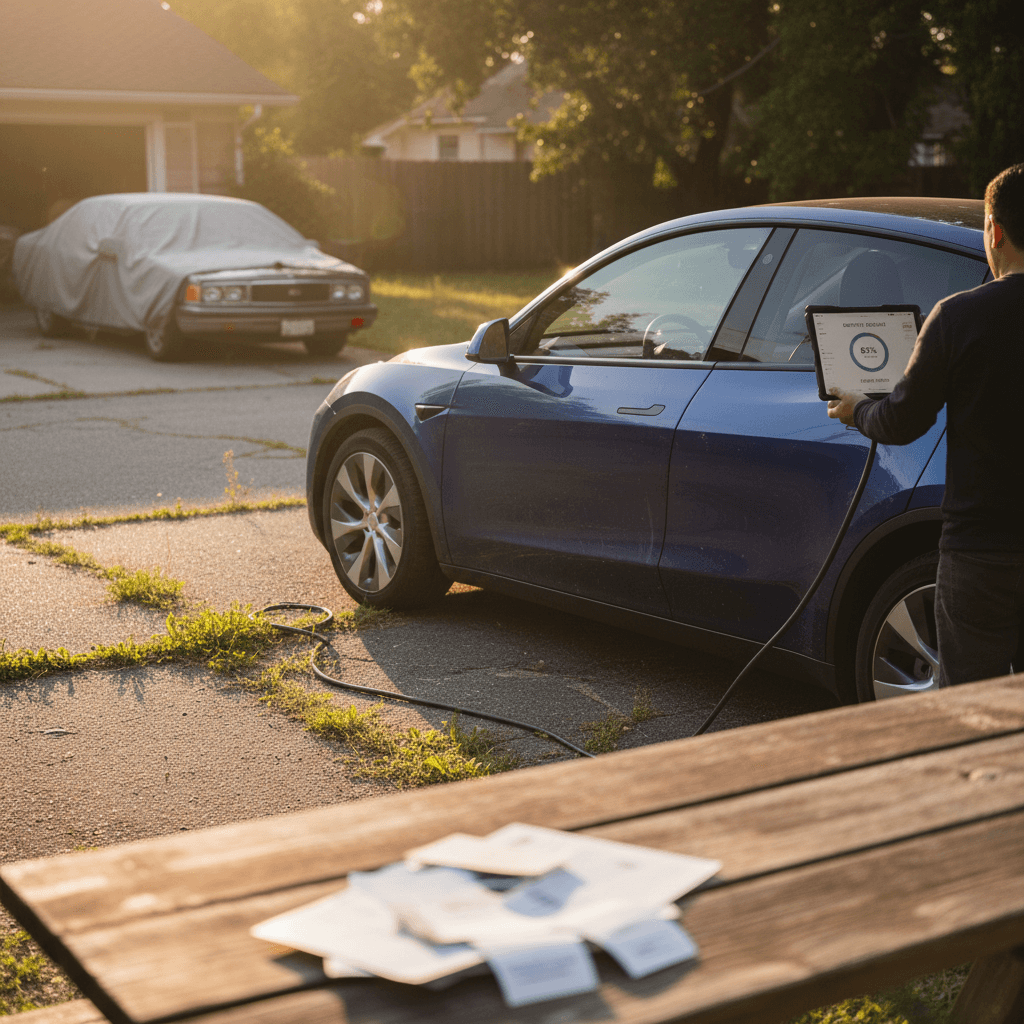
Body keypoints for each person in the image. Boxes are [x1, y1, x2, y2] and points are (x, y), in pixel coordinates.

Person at [827, 163, 1024, 687]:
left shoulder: (959, 317)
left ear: (995, 231)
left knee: (969, 708)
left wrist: (857, 410)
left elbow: (902, 421)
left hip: (981, 551)